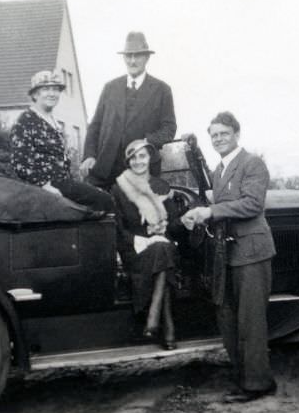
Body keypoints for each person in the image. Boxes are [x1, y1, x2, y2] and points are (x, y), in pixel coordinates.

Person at [180, 111, 277, 402]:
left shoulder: (252, 163)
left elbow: (251, 205)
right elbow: (220, 208)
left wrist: (210, 211)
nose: (218, 139)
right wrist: (197, 217)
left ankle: (257, 384)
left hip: (252, 251)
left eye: (223, 133)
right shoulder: (219, 171)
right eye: (214, 135)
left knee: (251, 321)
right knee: (228, 318)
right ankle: (244, 378)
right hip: (228, 253)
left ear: (236, 133)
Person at [80, 32, 177, 189]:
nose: (132, 61)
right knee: (89, 206)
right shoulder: (110, 88)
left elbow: (169, 128)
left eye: (137, 56)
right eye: (128, 56)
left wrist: (147, 142)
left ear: (147, 58)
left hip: (142, 170)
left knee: (137, 212)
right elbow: (95, 126)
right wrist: (89, 156)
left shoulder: (162, 90)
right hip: (105, 169)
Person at [9, 70, 114, 212]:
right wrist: (44, 186)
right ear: (35, 94)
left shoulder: (53, 122)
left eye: (56, 89)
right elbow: (20, 163)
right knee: (104, 201)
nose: (52, 94)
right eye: (46, 89)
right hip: (47, 186)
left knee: (103, 196)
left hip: (64, 183)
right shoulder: (26, 121)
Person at [112, 139, 182, 350]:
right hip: (135, 248)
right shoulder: (119, 188)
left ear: (150, 158)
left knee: (163, 248)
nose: (138, 161)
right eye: (133, 157)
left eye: (142, 156)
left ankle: (154, 317)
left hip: (161, 244)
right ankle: (167, 325)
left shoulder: (160, 186)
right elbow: (118, 228)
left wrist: (183, 221)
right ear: (128, 161)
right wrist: (141, 240)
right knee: (164, 256)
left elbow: (173, 222)